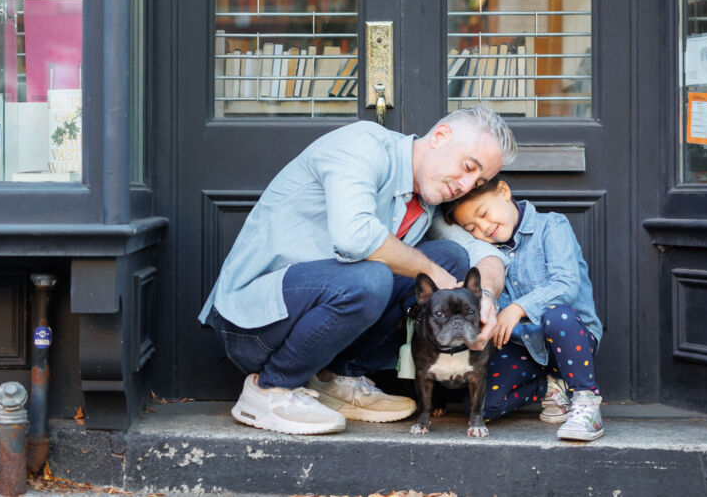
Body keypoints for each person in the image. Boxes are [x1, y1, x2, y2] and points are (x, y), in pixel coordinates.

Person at [198, 107, 518, 435]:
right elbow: (355, 237)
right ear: (439, 137)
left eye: (478, 182)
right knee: (375, 276)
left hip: (317, 322)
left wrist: (488, 296)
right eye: (467, 167)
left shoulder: (426, 202)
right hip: (254, 324)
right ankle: (270, 390)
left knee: (449, 256)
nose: (465, 185)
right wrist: (427, 269)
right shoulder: (362, 146)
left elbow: (481, 254)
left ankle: (338, 381)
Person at [449, 177, 605, 441]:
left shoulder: (551, 226)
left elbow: (566, 285)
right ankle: (551, 387)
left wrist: (518, 308)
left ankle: (585, 402)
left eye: (484, 214)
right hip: (526, 348)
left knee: (557, 314)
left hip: (569, 338)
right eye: (472, 227)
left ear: (504, 191)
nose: (484, 228)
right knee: (482, 407)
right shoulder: (487, 255)